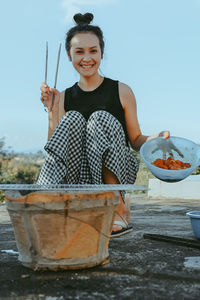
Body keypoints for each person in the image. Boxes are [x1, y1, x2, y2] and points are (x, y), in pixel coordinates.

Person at [38, 12, 170, 237]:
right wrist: (52, 111)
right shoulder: (63, 97)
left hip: (116, 172)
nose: (86, 58)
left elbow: (136, 140)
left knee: (100, 118)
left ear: (101, 53)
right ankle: (50, 199)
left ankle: (117, 206)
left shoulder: (122, 91)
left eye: (93, 51)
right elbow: (57, 146)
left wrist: (155, 138)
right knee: (72, 119)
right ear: (69, 56)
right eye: (79, 51)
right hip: (80, 176)